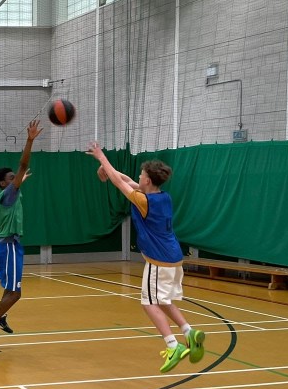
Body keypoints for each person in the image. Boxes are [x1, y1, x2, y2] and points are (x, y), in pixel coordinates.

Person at [86, 143, 205, 373]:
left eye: (141, 175)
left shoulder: (143, 201)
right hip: (174, 258)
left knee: (148, 303)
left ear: (148, 181)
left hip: (158, 260)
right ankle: (189, 332)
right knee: (164, 300)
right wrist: (107, 169)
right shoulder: (163, 197)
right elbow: (126, 180)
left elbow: (120, 182)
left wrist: (102, 158)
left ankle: (173, 346)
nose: (138, 177)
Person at [0, 119, 42, 350]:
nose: (16, 179)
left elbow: (19, 175)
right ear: (4, 183)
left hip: (8, 245)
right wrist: (30, 140)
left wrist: (19, 179)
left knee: (11, 289)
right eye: (12, 178)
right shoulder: (8, 195)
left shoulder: (6, 195)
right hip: (9, 245)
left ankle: (1, 316)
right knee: (15, 294)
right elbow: (23, 164)